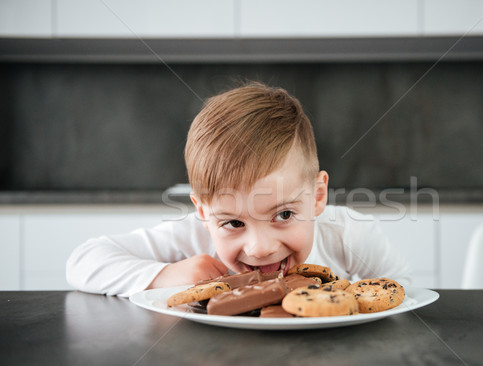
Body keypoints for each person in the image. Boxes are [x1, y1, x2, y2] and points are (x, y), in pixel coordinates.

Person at [66, 82, 411, 297]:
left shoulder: (349, 236)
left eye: (284, 214)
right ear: (202, 211)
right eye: (233, 223)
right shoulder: (192, 241)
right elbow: (83, 260)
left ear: (318, 196)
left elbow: (404, 291)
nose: (259, 249)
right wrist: (168, 275)